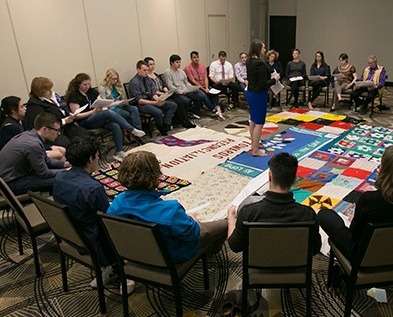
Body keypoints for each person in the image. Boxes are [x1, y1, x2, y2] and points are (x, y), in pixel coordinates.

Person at [107, 151, 228, 262]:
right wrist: (193, 221)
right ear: (155, 176)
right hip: (172, 256)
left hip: (133, 254)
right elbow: (193, 235)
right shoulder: (171, 210)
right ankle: (208, 254)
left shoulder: (117, 202)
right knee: (226, 223)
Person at [52, 137, 134, 294]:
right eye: (97, 156)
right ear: (90, 159)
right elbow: (108, 221)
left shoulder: (59, 177)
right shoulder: (93, 188)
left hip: (70, 234)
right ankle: (123, 270)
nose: (98, 160)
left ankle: (108, 267)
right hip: (94, 239)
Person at [318, 145, 393, 259]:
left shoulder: (369, 199)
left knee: (324, 214)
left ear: (384, 170)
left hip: (363, 254)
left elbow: (354, 233)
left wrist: (355, 218)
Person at [227, 152, 321, 253]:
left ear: (269, 176)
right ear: (294, 180)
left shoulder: (249, 212)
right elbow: (315, 249)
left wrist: (231, 219)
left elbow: (234, 246)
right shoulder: (308, 214)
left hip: (258, 267)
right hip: (295, 268)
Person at [65, 73, 145, 161]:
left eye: (89, 84)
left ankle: (120, 151)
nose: (87, 86)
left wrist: (103, 106)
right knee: (108, 113)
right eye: (84, 84)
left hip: (96, 118)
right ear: (78, 84)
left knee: (115, 125)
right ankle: (131, 129)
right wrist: (93, 111)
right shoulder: (74, 95)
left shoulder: (91, 92)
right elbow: (76, 116)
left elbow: (101, 100)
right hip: (85, 121)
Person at [0, 112, 69, 195]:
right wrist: (66, 171)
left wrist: (65, 164)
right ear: (44, 129)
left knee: (62, 175)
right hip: (11, 183)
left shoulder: (30, 136)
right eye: (57, 130)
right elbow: (44, 173)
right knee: (63, 178)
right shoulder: (33, 144)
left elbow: (46, 160)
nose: (59, 133)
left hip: (12, 177)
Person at [24, 77, 89, 147]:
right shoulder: (34, 105)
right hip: (52, 131)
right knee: (68, 145)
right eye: (48, 90)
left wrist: (69, 114)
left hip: (65, 125)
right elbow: (44, 124)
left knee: (87, 136)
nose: (51, 91)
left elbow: (62, 108)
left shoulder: (50, 97)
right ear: (41, 91)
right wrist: (64, 121)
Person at [243, 39, 280, 157]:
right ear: (258, 48)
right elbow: (263, 84)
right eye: (263, 47)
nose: (265, 49)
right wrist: (275, 80)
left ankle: (254, 144)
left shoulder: (249, 60)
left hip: (250, 92)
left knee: (253, 120)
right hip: (258, 95)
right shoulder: (259, 63)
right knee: (259, 122)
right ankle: (255, 150)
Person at [1, 95, 65, 159]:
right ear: (13, 111)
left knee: (61, 149)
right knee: (59, 153)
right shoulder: (10, 127)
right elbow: (25, 145)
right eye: (22, 106)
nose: (25, 108)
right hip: (21, 156)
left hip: (30, 149)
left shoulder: (18, 122)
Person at [162, 54, 221, 121]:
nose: (179, 64)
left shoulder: (181, 71)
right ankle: (188, 114)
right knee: (186, 101)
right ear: (171, 63)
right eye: (177, 62)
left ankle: (195, 112)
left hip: (186, 90)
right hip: (177, 92)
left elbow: (186, 82)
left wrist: (192, 88)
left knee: (200, 95)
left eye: (179, 62)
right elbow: (170, 86)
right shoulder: (167, 72)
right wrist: (181, 92)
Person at [129, 60, 178, 136]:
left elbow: (153, 93)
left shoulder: (148, 79)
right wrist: (155, 103)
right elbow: (139, 100)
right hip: (142, 104)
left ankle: (166, 124)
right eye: (144, 70)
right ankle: (160, 127)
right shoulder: (134, 82)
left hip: (151, 100)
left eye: (147, 70)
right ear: (138, 70)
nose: (146, 72)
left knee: (173, 105)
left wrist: (159, 99)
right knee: (158, 112)